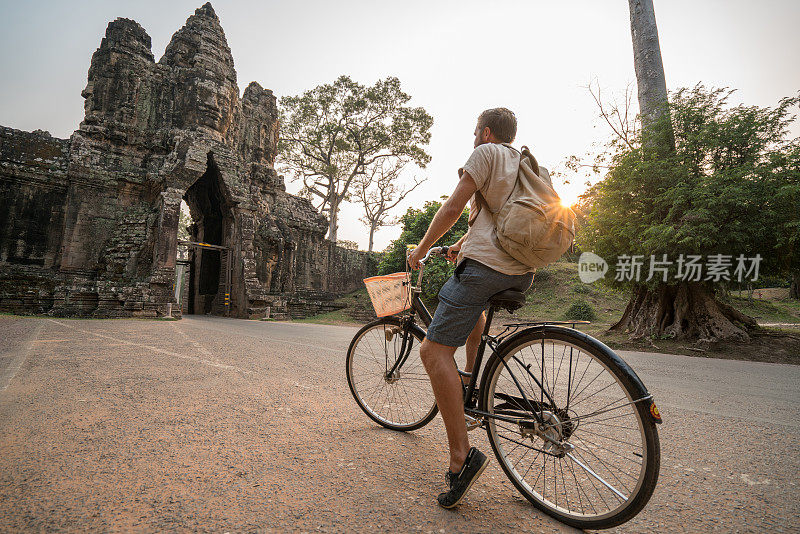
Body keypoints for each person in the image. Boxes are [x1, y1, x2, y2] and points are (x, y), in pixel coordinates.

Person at [407, 108, 535, 508]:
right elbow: (488, 223)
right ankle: (469, 381)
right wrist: (456, 248)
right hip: (522, 269)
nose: (473, 137)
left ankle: (461, 457)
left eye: (474, 132)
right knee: (473, 316)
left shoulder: (485, 153)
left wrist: (421, 250)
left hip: (486, 269)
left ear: (485, 132)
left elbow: (452, 209)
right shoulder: (523, 162)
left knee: (431, 350)